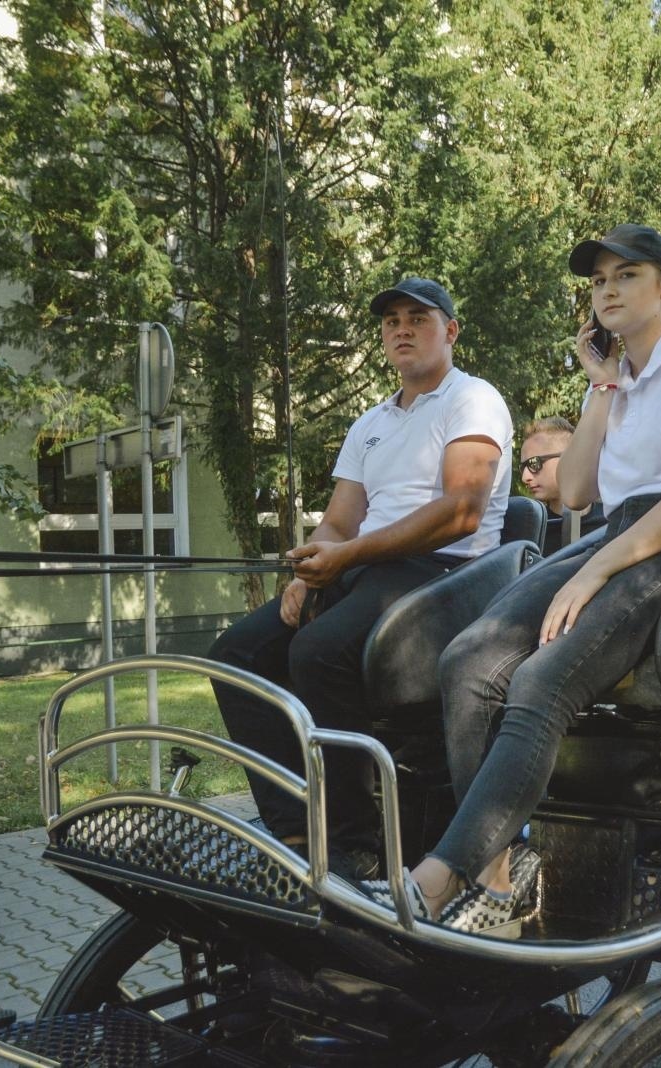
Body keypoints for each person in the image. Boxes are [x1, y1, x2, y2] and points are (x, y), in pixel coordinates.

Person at [367, 223, 661, 935]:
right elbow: (576, 493)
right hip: (628, 529)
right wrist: (602, 390)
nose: (608, 289)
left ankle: (438, 876)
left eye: (627, 276)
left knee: (542, 680)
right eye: (599, 279)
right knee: (469, 658)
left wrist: (599, 570)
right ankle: (495, 873)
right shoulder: (618, 382)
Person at [208, 277, 513, 880]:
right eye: (392, 319)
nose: (402, 328)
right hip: (370, 567)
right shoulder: (370, 422)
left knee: (319, 651)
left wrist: (346, 557)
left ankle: (360, 843)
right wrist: (310, 568)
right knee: (236, 654)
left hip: (449, 571)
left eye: (418, 318)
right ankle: (295, 824)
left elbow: (462, 512)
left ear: (450, 331)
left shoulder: (472, 399)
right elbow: (340, 520)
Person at [518, 416, 606, 554]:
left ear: (570, 458)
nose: (525, 477)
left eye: (534, 463)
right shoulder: (528, 528)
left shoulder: (611, 520)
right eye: (523, 467)